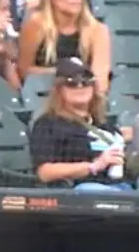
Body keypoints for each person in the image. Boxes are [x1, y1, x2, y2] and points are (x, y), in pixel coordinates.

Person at [29, 57, 130, 191]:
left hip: (118, 185)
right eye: (72, 83)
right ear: (59, 89)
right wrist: (94, 166)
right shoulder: (48, 123)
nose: (80, 86)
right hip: (80, 190)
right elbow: (44, 172)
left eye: (86, 81)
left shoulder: (103, 124)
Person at [17, 0, 111, 92]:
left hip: (82, 93)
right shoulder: (36, 25)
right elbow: (24, 71)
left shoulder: (97, 30)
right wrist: (65, 71)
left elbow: (100, 79)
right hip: (44, 94)